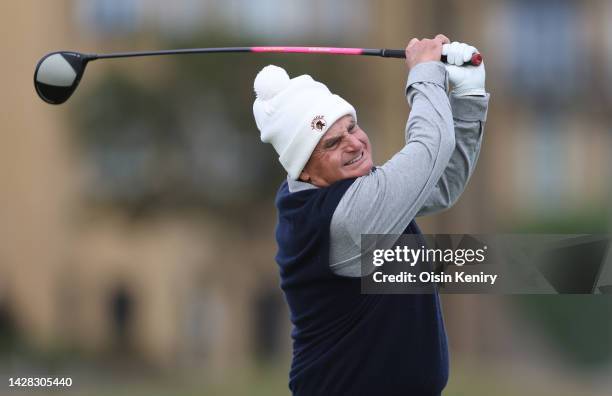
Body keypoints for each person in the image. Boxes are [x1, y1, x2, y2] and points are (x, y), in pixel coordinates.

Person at [252, 34, 490, 396]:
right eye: (332, 143)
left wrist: (468, 98)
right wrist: (425, 74)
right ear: (305, 171)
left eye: (352, 127)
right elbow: (431, 147)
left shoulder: (333, 191)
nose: (354, 142)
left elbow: (439, 184)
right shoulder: (344, 218)